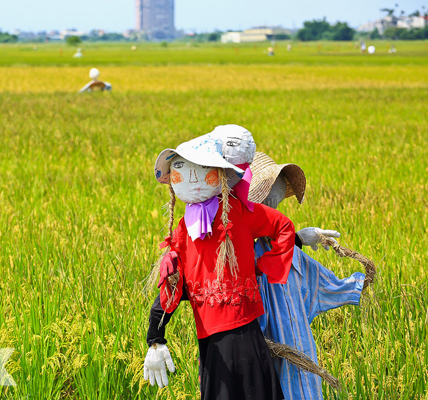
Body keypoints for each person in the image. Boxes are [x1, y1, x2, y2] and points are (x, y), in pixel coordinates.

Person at [146, 125, 295, 400]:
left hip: (245, 329)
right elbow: (172, 284)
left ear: (222, 175)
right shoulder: (183, 230)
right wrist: (155, 336)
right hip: (211, 338)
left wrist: (264, 267)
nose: (191, 177)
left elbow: (283, 227)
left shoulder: (240, 213)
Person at [250, 152, 365, 400]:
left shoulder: (287, 251)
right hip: (258, 353)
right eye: (268, 203)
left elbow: (321, 283)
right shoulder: (237, 251)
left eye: (276, 202)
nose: (274, 209)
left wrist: (357, 285)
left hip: (297, 351)